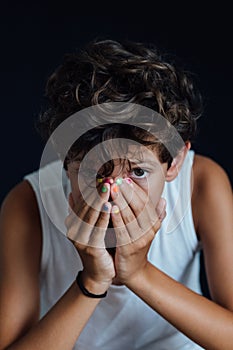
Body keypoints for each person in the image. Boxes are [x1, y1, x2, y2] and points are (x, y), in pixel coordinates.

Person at [0, 38, 232, 350]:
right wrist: (91, 282)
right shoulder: (28, 204)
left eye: (137, 172)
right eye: (93, 171)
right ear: (64, 158)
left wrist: (139, 274)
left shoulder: (201, 185)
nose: (111, 194)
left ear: (174, 161)